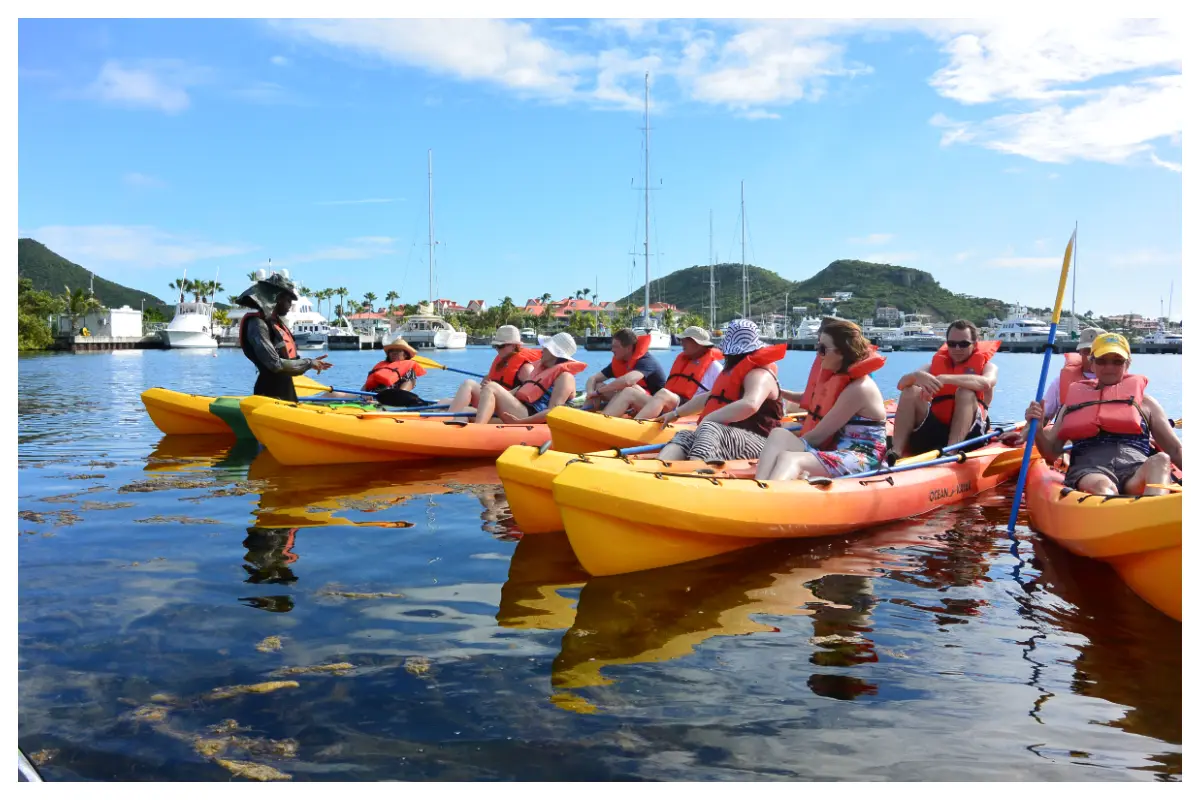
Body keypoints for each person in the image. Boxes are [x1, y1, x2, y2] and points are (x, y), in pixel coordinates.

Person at [1027, 333, 1181, 496]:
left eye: (1117, 361)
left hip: (1135, 473)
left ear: (1127, 363)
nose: (1109, 367)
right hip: (1090, 471)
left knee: (1161, 459)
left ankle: (1154, 511)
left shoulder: (1147, 404)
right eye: (1102, 361)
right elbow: (1051, 453)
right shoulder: (1071, 405)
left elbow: (1175, 449)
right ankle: (1118, 513)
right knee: (1104, 488)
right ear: (1092, 364)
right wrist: (1037, 430)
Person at [755, 320, 889, 480]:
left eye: (823, 349)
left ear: (842, 352)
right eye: (818, 348)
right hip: (840, 449)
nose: (818, 354)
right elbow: (813, 403)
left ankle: (769, 498)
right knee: (778, 434)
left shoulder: (859, 389)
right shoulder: (843, 382)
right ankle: (761, 485)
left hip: (863, 456)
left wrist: (792, 448)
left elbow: (818, 437)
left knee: (789, 458)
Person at [656, 319, 786, 462]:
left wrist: (709, 419)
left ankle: (694, 471)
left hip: (762, 443)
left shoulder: (759, 374)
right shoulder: (732, 373)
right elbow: (709, 398)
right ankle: (660, 467)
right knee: (685, 435)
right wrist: (675, 413)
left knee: (710, 428)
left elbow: (750, 404)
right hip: (731, 435)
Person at [888, 319, 999, 464]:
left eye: (964, 344)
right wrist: (916, 376)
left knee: (965, 392)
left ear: (975, 344)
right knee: (911, 390)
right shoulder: (932, 366)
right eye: (952, 344)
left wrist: (946, 378)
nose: (957, 348)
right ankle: (896, 451)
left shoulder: (988, 367)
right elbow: (901, 385)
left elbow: (986, 383)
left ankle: (951, 452)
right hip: (936, 430)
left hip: (970, 435)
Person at [236, 270, 331, 401]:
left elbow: (288, 360)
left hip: (287, 393)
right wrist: (309, 363)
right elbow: (275, 364)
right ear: (277, 299)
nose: (290, 304)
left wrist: (312, 363)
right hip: (269, 395)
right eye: (288, 300)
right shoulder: (257, 324)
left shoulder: (276, 323)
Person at [1001, 327, 1105, 446]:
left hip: (1102, 440)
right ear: (1080, 352)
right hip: (1068, 437)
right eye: (1087, 351)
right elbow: (1043, 416)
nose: (1091, 357)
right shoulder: (1061, 380)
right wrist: (1023, 435)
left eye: (1097, 352)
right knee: (1049, 431)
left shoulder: (1116, 380)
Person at [603, 326, 723, 419]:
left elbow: (723, 397)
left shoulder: (715, 368)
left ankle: (635, 428)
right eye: (682, 340)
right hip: (670, 403)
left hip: (687, 408)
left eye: (686, 340)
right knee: (630, 390)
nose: (682, 343)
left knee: (663, 393)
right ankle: (603, 421)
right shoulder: (684, 361)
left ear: (698, 344)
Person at [479, 332, 587, 424]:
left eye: (546, 347)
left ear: (555, 354)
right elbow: (517, 392)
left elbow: (554, 411)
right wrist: (494, 394)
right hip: (519, 409)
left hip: (529, 416)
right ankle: (471, 432)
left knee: (492, 387)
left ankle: (477, 431)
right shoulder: (539, 370)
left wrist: (521, 422)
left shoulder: (565, 377)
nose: (542, 350)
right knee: (469, 405)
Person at [447, 325, 541, 413]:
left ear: (513, 346)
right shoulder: (503, 360)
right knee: (444, 402)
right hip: (491, 398)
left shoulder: (525, 368)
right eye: (495, 346)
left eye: (500, 346)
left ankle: (448, 422)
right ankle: (447, 418)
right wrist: (486, 384)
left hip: (506, 405)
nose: (497, 349)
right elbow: (493, 379)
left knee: (469, 384)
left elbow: (529, 395)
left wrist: (496, 390)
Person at [584, 328, 667, 413]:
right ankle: (585, 415)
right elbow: (592, 378)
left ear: (628, 348)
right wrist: (591, 393)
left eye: (616, 347)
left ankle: (604, 419)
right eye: (612, 346)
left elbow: (627, 381)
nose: (612, 350)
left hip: (656, 406)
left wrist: (598, 392)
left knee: (628, 389)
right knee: (597, 385)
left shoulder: (647, 361)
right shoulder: (620, 362)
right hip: (636, 401)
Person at [362, 333, 429, 406]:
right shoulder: (381, 367)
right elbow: (365, 387)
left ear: (405, 355)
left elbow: (401, 394)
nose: (394, 353)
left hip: (389, 401)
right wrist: (364, 395)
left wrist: (379, 402)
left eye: (398, 351)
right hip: (369, 399)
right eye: (392, 351)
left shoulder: (409, 370)